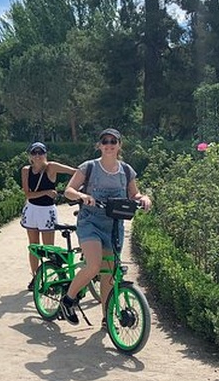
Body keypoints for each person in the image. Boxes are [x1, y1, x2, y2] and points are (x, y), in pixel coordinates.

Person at [59, 129, 151, 325]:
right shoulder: (89, 167)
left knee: (109, 274)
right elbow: (69, 190)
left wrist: (143, 198)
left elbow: (134, 194)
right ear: (99, 145)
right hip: (90, 222)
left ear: (119, 145)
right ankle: (68, 300)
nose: (109, 145)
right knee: (93, 265)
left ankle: (106, 318)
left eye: (113, 141)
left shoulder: (126, 171)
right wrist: (82, 196)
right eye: (105, 141)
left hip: (114, 225)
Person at [20, 142, 76, 290]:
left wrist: (73, 189)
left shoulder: (52, 167)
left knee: (48, 248)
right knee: (33, 247)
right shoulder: (26, 170)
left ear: (45, 154)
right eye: (34, 153)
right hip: (32, 209)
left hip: (46, 210)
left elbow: (75, 172)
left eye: (40, 153)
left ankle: (51, 277)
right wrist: (46, 192)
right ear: (30, 156)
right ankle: (35, 277)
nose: (37, 156)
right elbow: (27, 194)